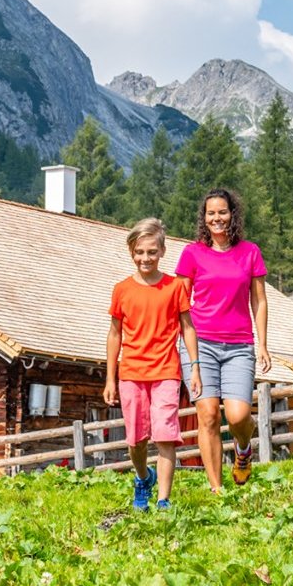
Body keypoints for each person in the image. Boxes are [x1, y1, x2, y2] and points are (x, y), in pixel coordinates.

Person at [175, 188, 271, 491]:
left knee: (238, 415)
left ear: (233, 214)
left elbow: (260, 301)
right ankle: (217, 488)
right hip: (200, 343)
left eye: (222, 212)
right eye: (211, 213)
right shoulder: (192, 254)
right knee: (207, 415)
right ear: (204, 218)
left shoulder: (250, 252)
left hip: (239, 345)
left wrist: (263, 344)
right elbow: (179, 302)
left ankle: (243, 449)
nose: (217, 218)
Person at [106, 217, 203, 511]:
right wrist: (110, 378)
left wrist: (195, 367)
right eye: (139, 252)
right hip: (131, 372)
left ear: (162, 251)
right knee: (136, 440)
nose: (145, 258)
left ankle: (163, 499)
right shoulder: (122, 289)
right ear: (131, 252)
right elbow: (114, 334)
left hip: (166, 372)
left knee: (165, 435)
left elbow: (188, 328)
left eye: (151, 252)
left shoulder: (174, 288)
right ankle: (142, 477)